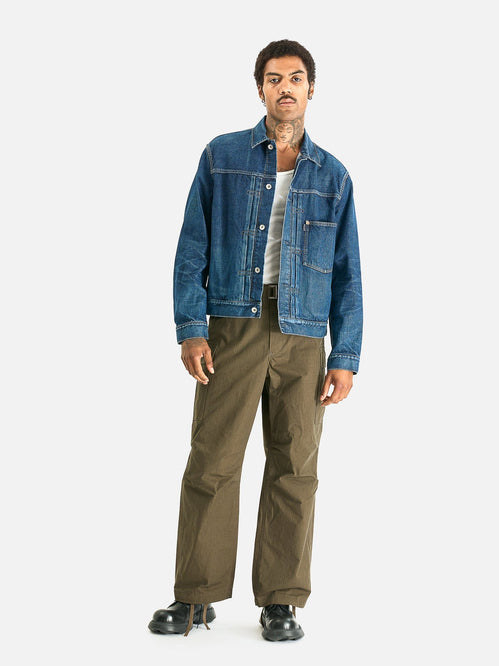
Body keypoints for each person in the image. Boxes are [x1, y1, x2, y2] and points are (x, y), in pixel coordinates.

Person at [148, 38, 363, 642]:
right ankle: (195, 597)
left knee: (295, 468)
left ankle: (281, 601)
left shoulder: (334, 175)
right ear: (260, 89)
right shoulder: (221, 157)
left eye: (295, 78)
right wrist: (192, 328)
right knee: (212, 461)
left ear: (311, 89)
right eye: (274, 78)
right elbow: (191, 247)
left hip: (303, 335)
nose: (284, 88)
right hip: (233, 325)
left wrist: (345, 355)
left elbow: (348, 272)